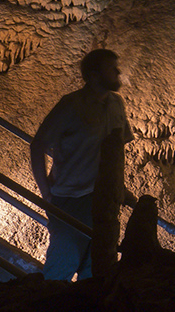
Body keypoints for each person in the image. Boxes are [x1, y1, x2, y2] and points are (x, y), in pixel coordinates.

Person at [29, 48, 131, 281]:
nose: (118, 72)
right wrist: (47, 194)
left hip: (103, 198)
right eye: (111, 68)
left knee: (96, 267)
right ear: (94, 76)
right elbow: (38, 146)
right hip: (70, 199)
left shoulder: (116, 104)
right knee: (62, 264)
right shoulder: (70, 105)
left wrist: (119, 188)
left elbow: (118, 150)